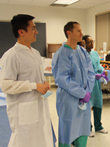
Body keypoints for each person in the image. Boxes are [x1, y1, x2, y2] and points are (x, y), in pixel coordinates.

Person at [0, 14, 56, 147]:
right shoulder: (11, 55)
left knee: (42, 138)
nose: (37, 32)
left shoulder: (36, 53)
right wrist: (34, 86)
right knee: (24, 141)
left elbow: (37, 77)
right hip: (24, 111)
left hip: (39, 106)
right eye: (33, 28)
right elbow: (6, 85)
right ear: (21, 32)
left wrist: (43, 83)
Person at [52, 22, 95, 147]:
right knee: (68, 128)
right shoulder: (61, 54)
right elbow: (63, 78)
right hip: (68, 99)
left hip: (84, 99)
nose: (82, 34)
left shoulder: (82, 52)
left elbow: (90, 73)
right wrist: (81, 93)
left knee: (82, 128)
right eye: (78, 31)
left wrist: (88, 92)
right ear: (69, 33)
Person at [82, 35, 108, 137]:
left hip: (96, 83)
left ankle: (99, 126)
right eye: (89, 42)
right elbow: (83, 70)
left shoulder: (95, 53)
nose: (92, 43)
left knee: (98, 104)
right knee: (88, 105)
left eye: (92, 41)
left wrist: (102, 70)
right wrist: (92, 75)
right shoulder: (83, 55)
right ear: (84, 43)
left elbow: (98, 65)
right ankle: (88, 128)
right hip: (87, 83)